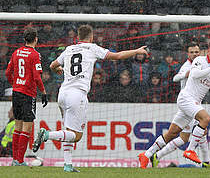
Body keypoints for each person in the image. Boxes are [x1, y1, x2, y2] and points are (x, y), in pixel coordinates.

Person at [32, 24, 148, 172]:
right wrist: (137, 51)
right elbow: (117, 56)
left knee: (68, 130)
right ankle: (47, 134)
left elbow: (52, 65)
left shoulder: (69, 49)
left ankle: (67, 165)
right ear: (91, 37)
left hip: (63, 93)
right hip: (77, 95)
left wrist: (59, 69)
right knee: (76, 135)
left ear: (77, 37)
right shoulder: (92, 48)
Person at [138, 40, 210, 168]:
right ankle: (191, 151)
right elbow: (195, 75)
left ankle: (147, 155)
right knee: (205, 119)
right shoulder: (200, 60)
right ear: (209, 50)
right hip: (186, 98)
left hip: (194, 102)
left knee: (172, 133)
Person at [5, 27, 48, 166]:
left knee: (17, 126)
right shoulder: (35, 54)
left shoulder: (16, 52)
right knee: (27, 127)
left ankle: (15, 160)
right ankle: (20, 160)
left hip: (16, 92)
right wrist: (43, 92)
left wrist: (16, 83)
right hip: (28, 94)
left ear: (24, 39)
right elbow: (36, 77)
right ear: (36, 39)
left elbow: (7, 72)